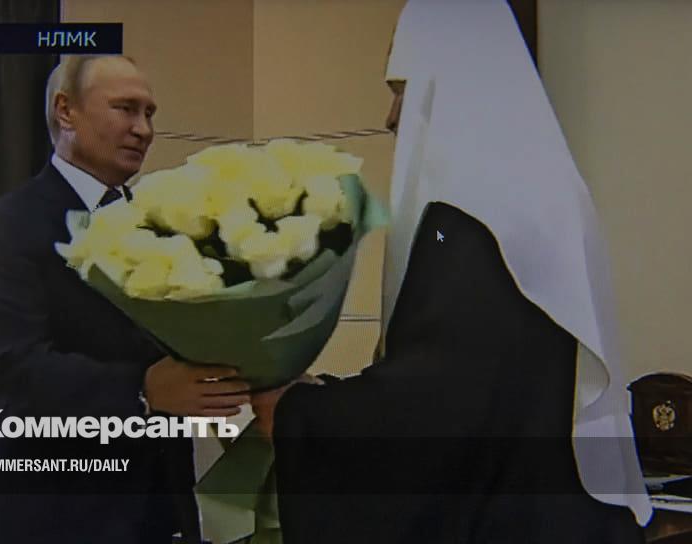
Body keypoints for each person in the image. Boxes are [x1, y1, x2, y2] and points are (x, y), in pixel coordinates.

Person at [251, 1, 652, 542]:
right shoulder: (539, 199)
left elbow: (436, 409)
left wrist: (299, 413)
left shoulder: (467, 221)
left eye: (403, 89)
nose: (390, 117)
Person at [0, 55, 250, 544]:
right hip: (51, 515)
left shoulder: (166, 229)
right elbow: (18, 366)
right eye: (125, 109)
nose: (144, 129)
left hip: (159, 513)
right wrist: (142, 390)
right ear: (66, 111)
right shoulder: (4, 227)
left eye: (150, 113)